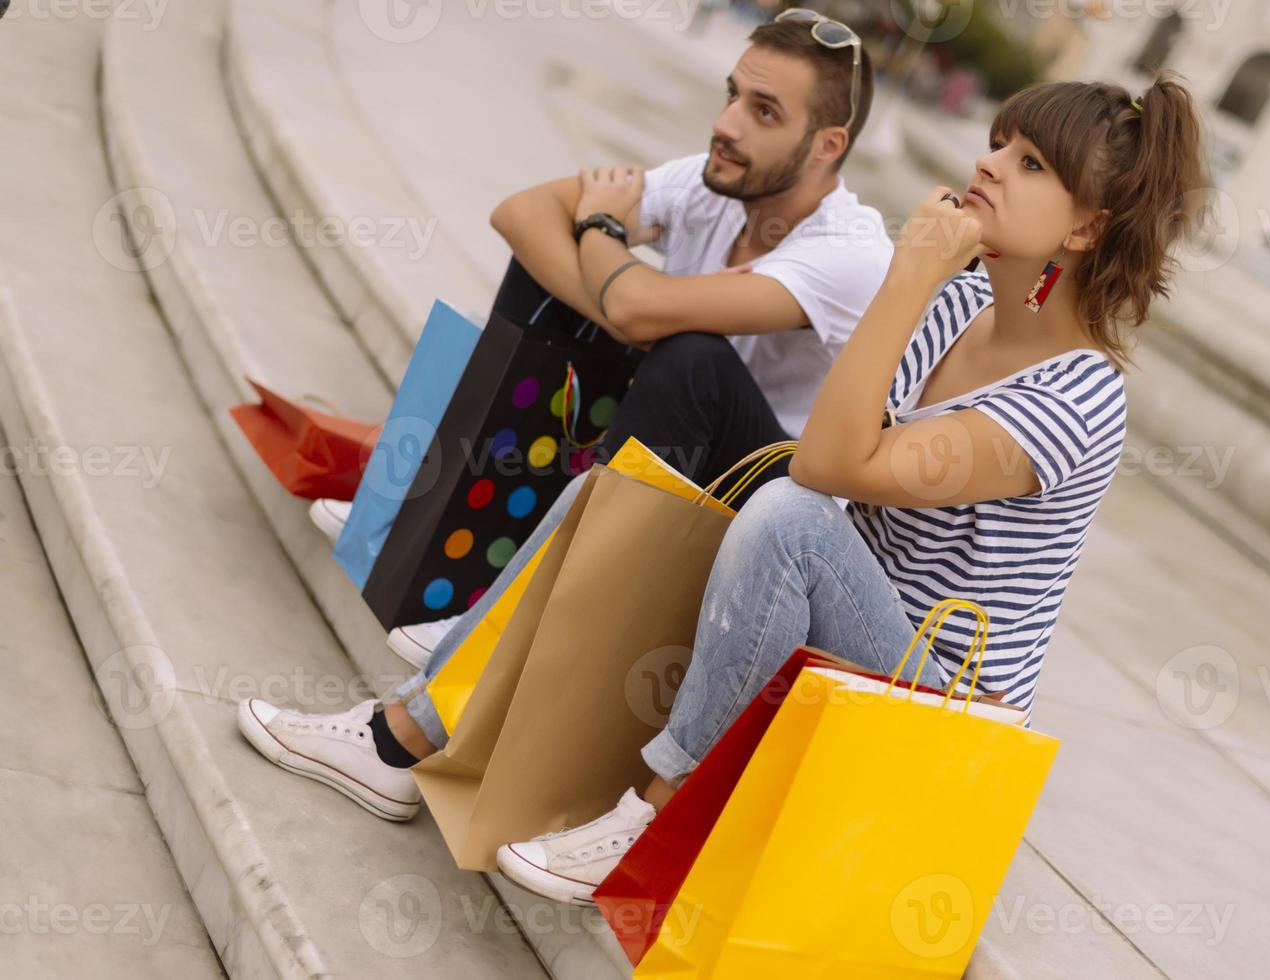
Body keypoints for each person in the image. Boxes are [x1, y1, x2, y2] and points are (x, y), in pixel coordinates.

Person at [491, 71, 1211, 905]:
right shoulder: (964, 301)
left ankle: (656, 820)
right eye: (1000, 144)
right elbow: (837, 443)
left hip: (941, 696)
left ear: (1087, 227)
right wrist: (924, 290)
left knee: (789, 516)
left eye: (1033, 165)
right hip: (863, 617)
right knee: (690, 408)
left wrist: (907, 278)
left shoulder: (1077, 398)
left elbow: (825, 470)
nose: (991, 166)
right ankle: (454, 690)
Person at [240, 10, 891, 819]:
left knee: (686, 352)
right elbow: (520, 212)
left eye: (764, 112)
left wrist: (606, 239)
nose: (725, 124)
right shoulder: (718, 177)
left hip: (749, 533)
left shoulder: (852, 253)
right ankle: (461, 565)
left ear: (827, 145)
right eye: (732, 94)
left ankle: (399, 736)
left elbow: (647, 305)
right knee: (580, 286)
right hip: (652, 471)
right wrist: (618, 294)